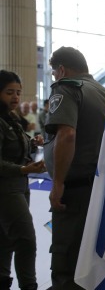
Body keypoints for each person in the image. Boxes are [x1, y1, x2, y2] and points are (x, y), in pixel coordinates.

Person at [44, 47, 105, 289]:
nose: (54, 78)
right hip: (98, 189)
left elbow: (67, 135)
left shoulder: (67, 88)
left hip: (74, 192)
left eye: (54, 74)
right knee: (87, 265)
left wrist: (58, 183)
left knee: (66, 263)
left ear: (61, 69)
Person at [0, 71, 45, 290]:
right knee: (26, 240)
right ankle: (29, 286)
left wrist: (33, 144)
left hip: (19, 187)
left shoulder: (12, 119)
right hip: (6, 189)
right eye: (9, 92)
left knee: (6, 241)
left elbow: (14, 148)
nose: (16, 97)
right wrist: (23, 169)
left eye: (18, 92)